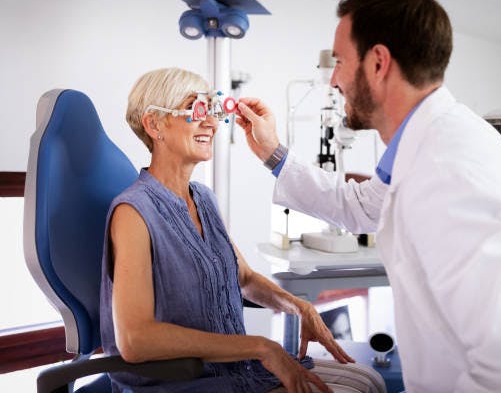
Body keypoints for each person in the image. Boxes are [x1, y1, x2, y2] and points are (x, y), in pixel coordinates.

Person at [235, 0, 501, 391]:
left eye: (339, 61)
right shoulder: (427, 143)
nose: (334, 79)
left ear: (378, 63)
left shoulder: (445, 171)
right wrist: (273, 154)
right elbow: (363, 206)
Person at [99, 67, 386, 393]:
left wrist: (299, 306)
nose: (211, 123)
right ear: (154, 124)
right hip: (182, 383)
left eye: (213, 111)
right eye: (197, 110)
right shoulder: (133, 212)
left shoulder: (203, 199)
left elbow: (244, 278)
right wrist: (261, 347)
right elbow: (135, 340)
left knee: (369, 380)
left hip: (234, 371)